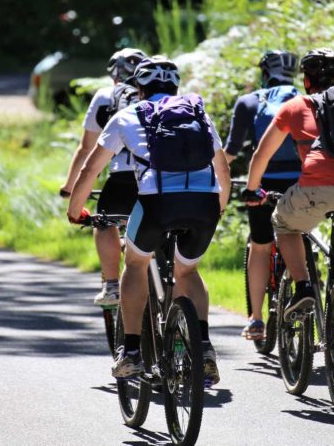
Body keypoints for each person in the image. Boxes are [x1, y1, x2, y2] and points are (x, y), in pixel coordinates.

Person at [67, 57, 230, 386]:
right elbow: (223, 169)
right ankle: (204, 346)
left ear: (138, 89)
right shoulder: (197, 112)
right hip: (204, 204)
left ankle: (130, 352)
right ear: (175, 87)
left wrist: (75, 209)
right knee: (188, 271)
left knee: (136, 263)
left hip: (157, 203)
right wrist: (219, 207)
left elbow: (91, 170)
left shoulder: (126, 115)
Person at [243, 47, 334, 326]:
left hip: (316, 188)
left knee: (283, 222)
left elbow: (262, 155)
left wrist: (251, 190)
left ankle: (303, 285)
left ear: (306, 81)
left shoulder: (295, 107)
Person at [223, 50, 301, 341]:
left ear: (264, 73)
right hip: (303, 182)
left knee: (260, 246)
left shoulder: (250, 101)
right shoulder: (304, 101)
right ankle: (309, 289)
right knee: (300, 235)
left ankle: (256, 319)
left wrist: (212, 174)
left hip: (264, 184)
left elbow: (231, 151)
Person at [60, 48, 147, 306]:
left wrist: (69, 186)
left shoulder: (106, 97)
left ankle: (111, 285)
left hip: (122, 177)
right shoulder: (158, 98)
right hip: (160, 176)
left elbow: (87, 148)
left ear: (114, 74)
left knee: (104, 221)